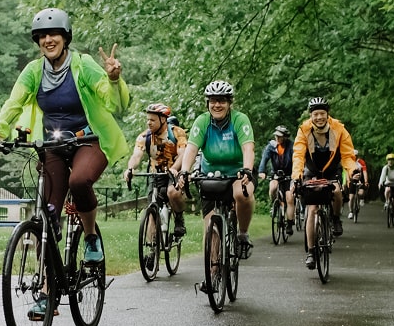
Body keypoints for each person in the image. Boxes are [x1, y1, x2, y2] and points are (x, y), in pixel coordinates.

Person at [0, 7, 129, 320]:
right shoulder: (33, 71)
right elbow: (13, 103)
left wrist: (114, 79)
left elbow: (113, 102)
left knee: (79, 181)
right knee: (46, 216)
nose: (48, 40)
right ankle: (47, 293)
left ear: (65, 38)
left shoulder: (83, 65)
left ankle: (90, 238)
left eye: (54, 35)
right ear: (38, 41)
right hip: (52, 145)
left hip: (89, 141)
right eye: (42, 36)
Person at [177, 80, 256, 270]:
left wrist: (247, 169)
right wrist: (185, 171)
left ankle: (243, 234)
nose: (217, 105)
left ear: (229, 103)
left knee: (241, 194)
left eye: (222, 101)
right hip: (210, 175)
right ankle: (212, 274)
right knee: (210, 229)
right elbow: (191, 149)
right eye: (213, 101)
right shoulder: (202, 121)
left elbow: (248, 148)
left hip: (237, 172)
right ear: (208, 103)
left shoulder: (239, 120)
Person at [290, 97, 356, 269]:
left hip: (332, 170)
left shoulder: (339, 129)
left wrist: (352, 171)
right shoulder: (304, 130)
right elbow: (298, 155)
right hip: (311, 171)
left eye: (322, 113)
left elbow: (348, 155)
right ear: (311, 115)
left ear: (327, 114)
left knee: (336, 191)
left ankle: (335, 218)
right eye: (315, 114)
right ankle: (311, 252)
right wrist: (296, 176)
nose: (319, 117)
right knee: (312, 209)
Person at [122, 103, 189, 236]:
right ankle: (152, 245)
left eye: (152, 120)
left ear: (163, 119)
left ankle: (179, 218)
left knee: (172, 193)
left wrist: (174, 168)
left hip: (174, 171)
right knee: (151, 210)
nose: (149, 123)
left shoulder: (177, 133)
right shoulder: (144, 137)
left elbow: (183, 154)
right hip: (156, 174)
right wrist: (130, 168)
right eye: (147, 119)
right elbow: (136, 155)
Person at [257, 125, 295, 222]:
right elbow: (264, 158)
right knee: (273, 187)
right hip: (276, 173)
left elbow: (296, 160)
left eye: (279, 136)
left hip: (289, 174)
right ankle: (274, 204)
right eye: (276, 136)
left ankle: (289, 223)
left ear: (285, 137)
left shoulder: (291, 146)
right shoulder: (271, 146)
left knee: (289, 197)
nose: (277, 138)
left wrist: (295, 173)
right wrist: (261, 171)